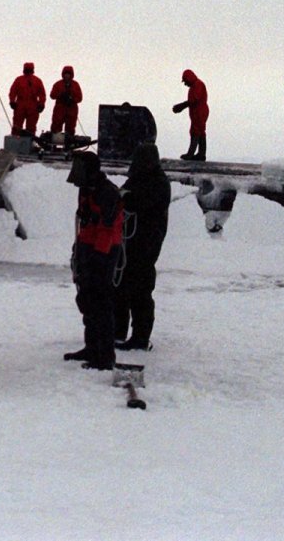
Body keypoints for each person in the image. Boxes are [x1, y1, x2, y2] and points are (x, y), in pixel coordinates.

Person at [63, 151, 124, 370]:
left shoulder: (107, 193)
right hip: (88, 248)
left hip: (104, 251)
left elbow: (107, 229)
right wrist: (79, 249)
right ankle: (92, 347)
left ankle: (105, 355)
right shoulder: (86, 189)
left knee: (101, 302)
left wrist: (99, 256)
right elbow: (85, 221)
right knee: (87, 298)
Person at [114, 143, 170, 351]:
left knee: (141, 290)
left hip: (146, 244)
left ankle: (140, 337)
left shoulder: (158, 182)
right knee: (121, 287)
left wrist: (125, 198)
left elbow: (138, 201)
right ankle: (118, 331)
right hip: (130, 242)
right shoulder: (139, 178)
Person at [172, 69, 209, 161]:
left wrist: (181, 106)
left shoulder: (198, 85)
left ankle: (192, 153)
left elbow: (194, 100)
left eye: (185, 81)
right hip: (198, 112)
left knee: (196, 131)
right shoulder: (195, 86)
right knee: (200, 131)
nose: (185, 84)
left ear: (189, 78)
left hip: (200, 112)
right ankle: (201, 154)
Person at [8, 62, 46, 136]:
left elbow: (42, 94)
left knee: (30, 127)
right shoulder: (34, 80)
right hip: (22, 104)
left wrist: (41, 104)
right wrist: (12, 101)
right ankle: (16, 142)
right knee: (17, 125)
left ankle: (27, 143)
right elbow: (13, 91)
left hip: (30, 105)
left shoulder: (35, 80)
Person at [49, 65, 83, 137]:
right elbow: (52, 95)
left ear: (71, 75)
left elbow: (80, 98)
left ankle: (69, 143)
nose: (67, 75)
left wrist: (72, 99)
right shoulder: (58, 84)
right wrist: (60, 95)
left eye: (68, 74)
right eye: (65, 74)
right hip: (60, 109)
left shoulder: (75, 85)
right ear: (63, 74)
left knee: (70, 127)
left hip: (71, 109)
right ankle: (55, 142)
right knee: (56, 126)